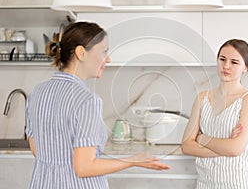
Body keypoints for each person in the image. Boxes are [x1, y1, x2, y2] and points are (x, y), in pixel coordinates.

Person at [26, 21, 170, 189]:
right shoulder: (87, 100)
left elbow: (39, 150)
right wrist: (133, 160)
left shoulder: (38, 92)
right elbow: (84, 168)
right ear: (81, 53)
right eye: (104, 52)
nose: (107, 59)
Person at [181, 39, 248, 188]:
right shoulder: (202, 98)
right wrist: (225, 147)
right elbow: (186, 146)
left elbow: (235, 149)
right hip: (206, 184)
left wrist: (201, 138)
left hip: (238, 183)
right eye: (222, 59)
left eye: (234, 62)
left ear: (246, 68)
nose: (226, 66)